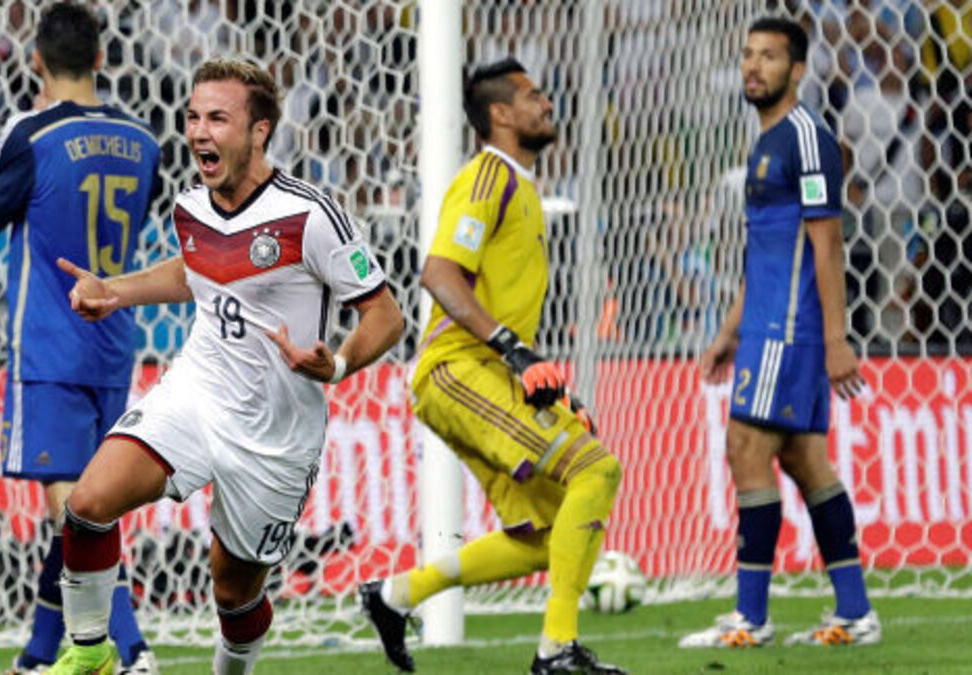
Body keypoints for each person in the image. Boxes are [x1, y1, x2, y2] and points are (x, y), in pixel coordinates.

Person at [47, 57, 404, 675]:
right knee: (89, 502)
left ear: (258, 131)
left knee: (233, 593)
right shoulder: (192, 205)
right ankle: (90, 653)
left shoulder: (310, 215)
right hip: (198, 392)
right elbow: (196, 270)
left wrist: (339, 363)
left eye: (216, 118)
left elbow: (386, 315)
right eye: (192, 117)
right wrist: (116, 290)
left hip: (274, 433)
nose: (198, 132)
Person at [359, 57, 625, 675]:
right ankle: (556, 651)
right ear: (501, 114)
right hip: (456, 370)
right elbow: (439, 273)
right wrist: (513, 349)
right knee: (596, 469)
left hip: (492, 374)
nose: (548, 104)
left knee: (548, 533)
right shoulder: (488, 178)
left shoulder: (523, 187)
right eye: (534, 96)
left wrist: (549, 389)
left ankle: (396, 596)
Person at [0, 3, 160, 672]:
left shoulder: (34, 135)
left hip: (50, 345)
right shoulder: (144, 140)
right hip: (114, 343)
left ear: (36, 63)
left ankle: (131, 649)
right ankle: (39, 651)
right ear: (101, 59)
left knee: (76, 511)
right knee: (89, 503)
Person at [678, 16, 881, 649]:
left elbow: (827, 243)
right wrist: (729, 330)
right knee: (802, 457)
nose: (753, 66)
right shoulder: (766, 141)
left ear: (796, 70)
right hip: (765, 322)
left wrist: (837, 340)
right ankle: (855, 612)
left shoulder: (807, 138)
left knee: (745, 445)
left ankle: (751, 618)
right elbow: (764, 252)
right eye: (747, 54)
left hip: (791, 327)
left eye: (768, 56)